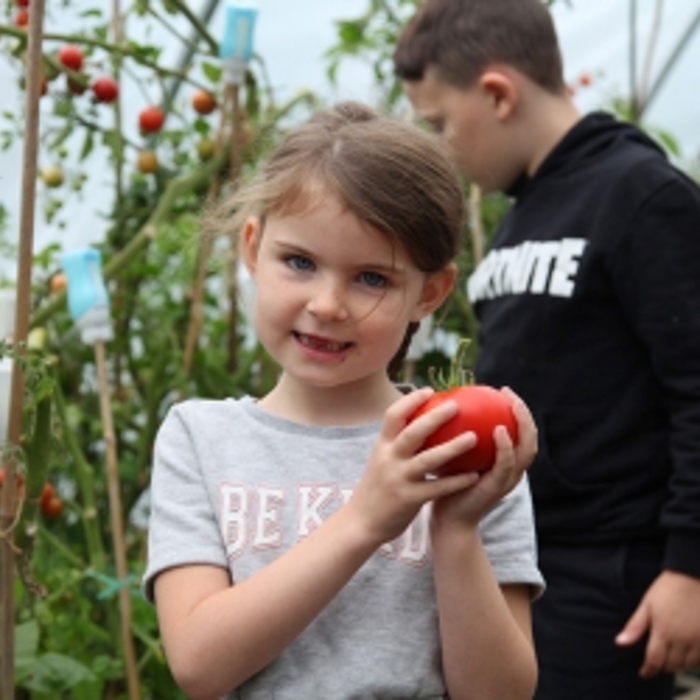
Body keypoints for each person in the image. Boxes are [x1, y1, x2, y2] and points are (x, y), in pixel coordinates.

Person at [142, 101, 544, 699]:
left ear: (429, 293)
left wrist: (457, 530)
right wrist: (363, 520)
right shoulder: (200, 439)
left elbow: (501, 694)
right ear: (252, 248)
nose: (328, 304)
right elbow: (200, 665)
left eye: (372, 278)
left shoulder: (462, 449)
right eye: (299, 262)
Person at [394, 1, 700, 699]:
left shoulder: (640, 195)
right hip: (531, 551)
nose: (440, 143)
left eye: (440, 121)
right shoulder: (519, 219)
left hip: (617, 565)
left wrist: (689, 568)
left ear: (498, 93)